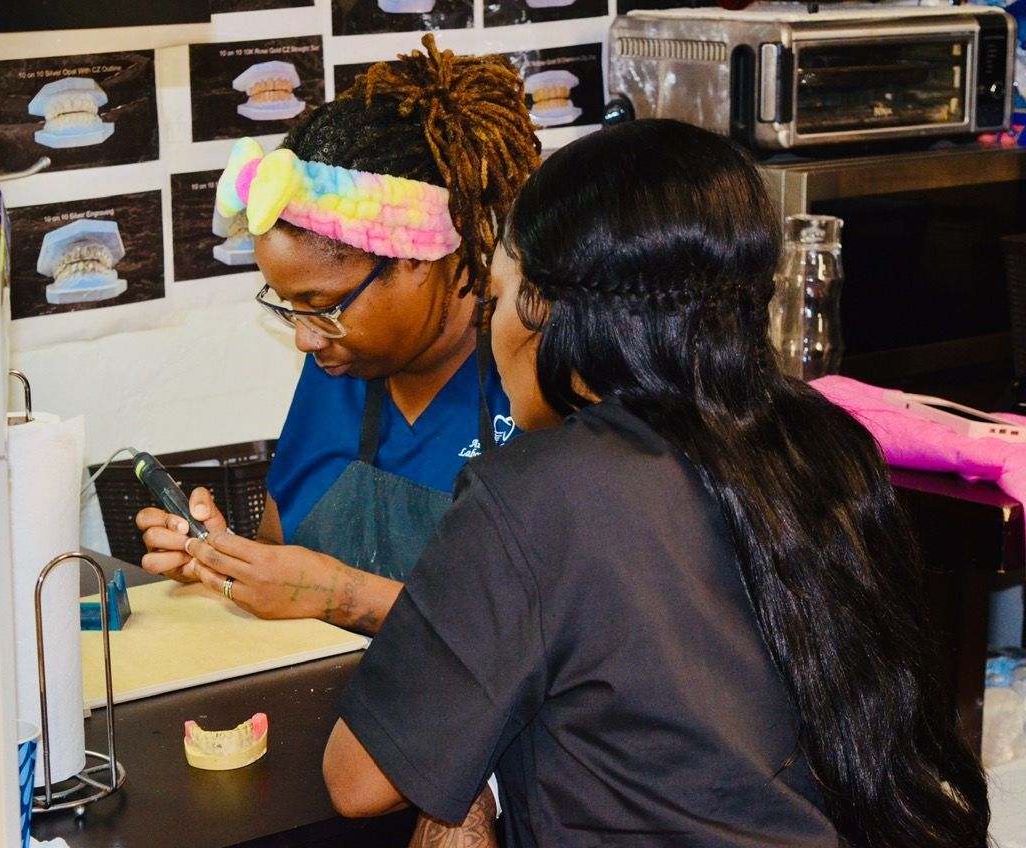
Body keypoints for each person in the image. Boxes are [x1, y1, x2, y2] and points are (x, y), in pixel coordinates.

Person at [320, 119, 989, 847]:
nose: (492, 329)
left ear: (550, 310)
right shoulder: (827, 443)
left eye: (501, 296)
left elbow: (360, 780)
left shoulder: (537, 491)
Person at [137, 35, 541, 636]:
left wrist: (344, 595)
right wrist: (224, 559)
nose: (305, 338)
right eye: (289, 306)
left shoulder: (538, 375)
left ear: (419, 259)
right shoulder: (340, 366)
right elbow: (283, 550)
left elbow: (554, 632)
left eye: (322, 306)